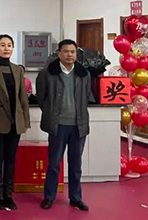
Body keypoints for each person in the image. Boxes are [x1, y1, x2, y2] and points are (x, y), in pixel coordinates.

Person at [37, 39, 94, 212]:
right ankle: (49, 197)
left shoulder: (84, 74)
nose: (70, 55)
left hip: (78, 126)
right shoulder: (47, 73)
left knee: (76, 165)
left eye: (73, 52)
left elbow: (86, 97)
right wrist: (52, 113)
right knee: (54, 164)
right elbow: (41, 98)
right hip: (58, 125)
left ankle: (76, 198)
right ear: (59, 53)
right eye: (66, 51)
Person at [0, 35, 30, 211]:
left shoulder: (17, 70)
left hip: (15, 121)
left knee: (11, 160)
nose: (6, 48)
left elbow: (22, 97)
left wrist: (24, 120)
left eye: (9, 45)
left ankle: (8, 195)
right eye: (2, 45)